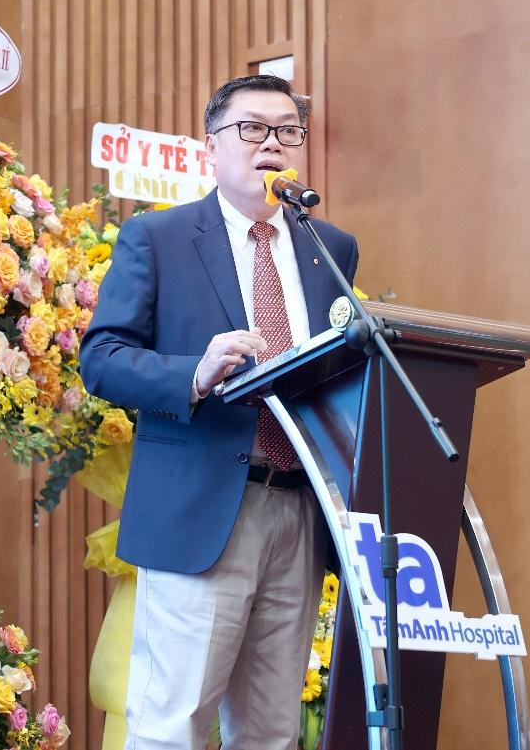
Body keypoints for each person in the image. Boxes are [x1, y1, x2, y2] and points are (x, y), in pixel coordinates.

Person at [80, 74, 359, 749]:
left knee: (271, 731)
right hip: (201, 507)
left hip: (299, 508)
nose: (272, 143)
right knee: (173, 725)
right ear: (211, 144)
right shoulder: (159, 237)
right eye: (252, 128)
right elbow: (102, 358)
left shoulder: (330, 248)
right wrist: (195, 374)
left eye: (287, 131)